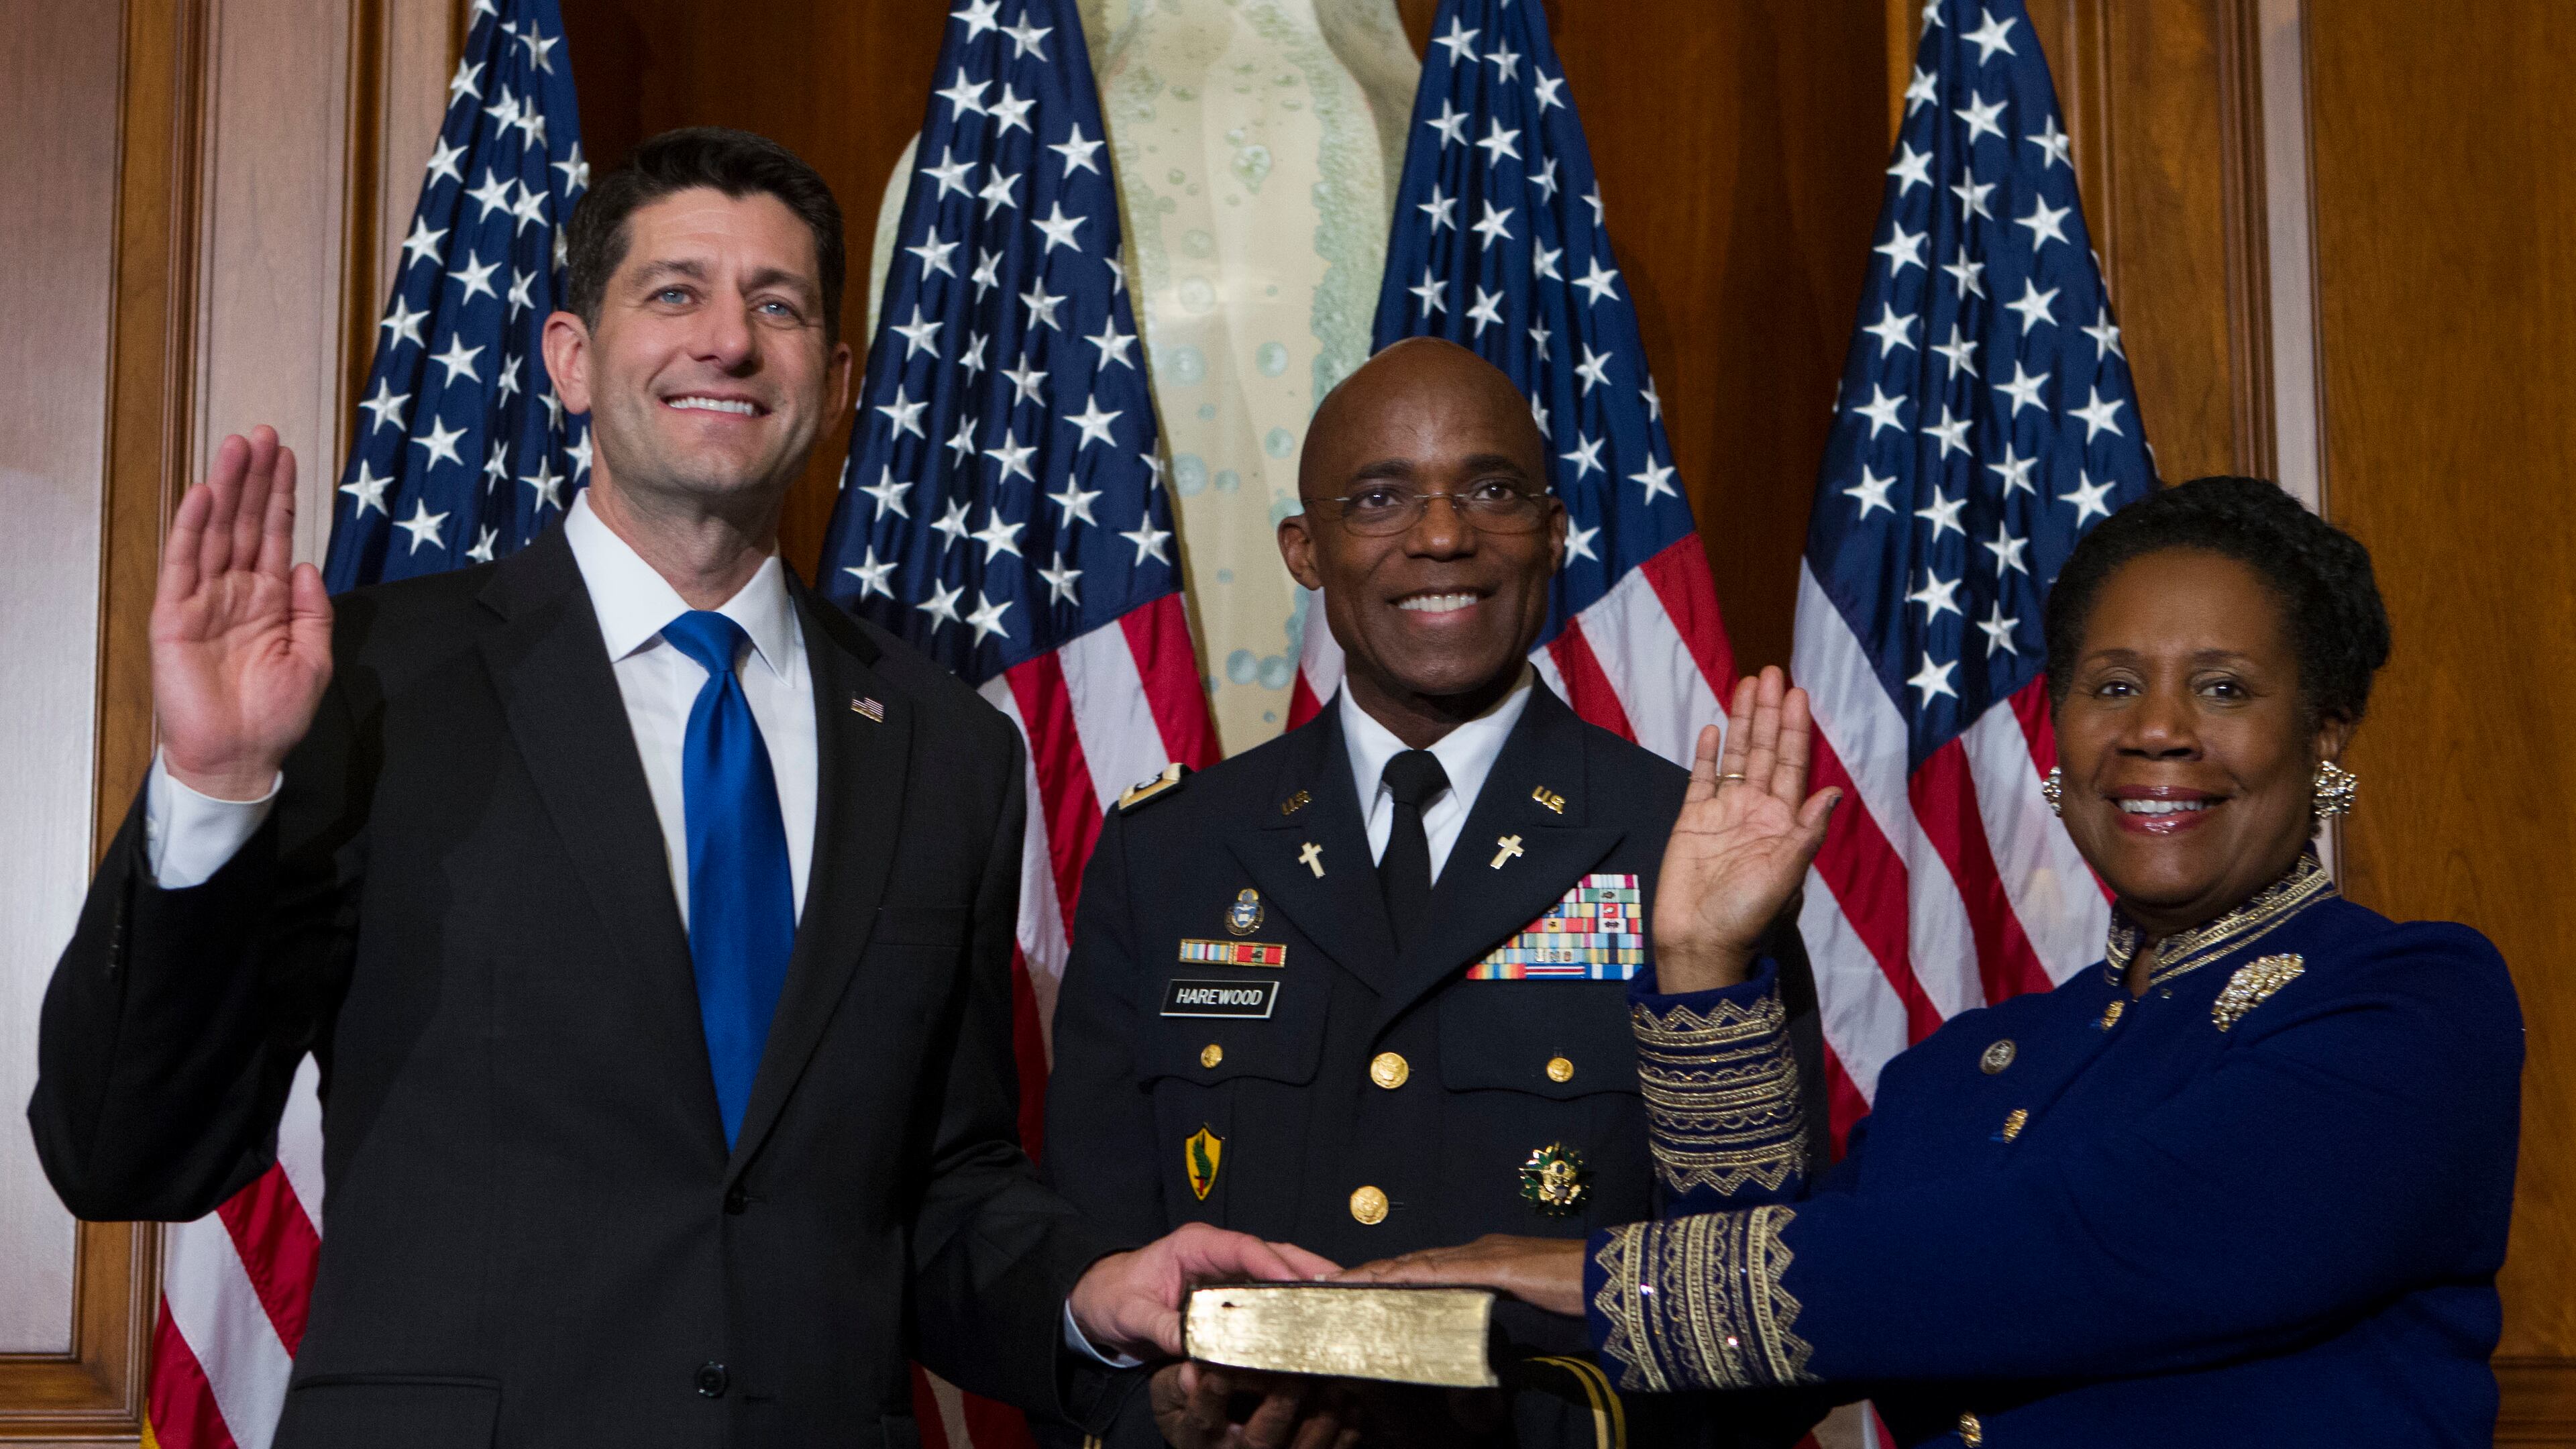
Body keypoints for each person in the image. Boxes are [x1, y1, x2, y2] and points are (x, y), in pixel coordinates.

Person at [27, 127, 1325, 1449]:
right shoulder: (369, 684)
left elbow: (936, 1191)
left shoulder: (946, 749)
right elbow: (132, 1148)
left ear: (835, 376)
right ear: (571, 360)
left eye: (778, 305)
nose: (728, 342)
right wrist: (216, 785)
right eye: (674, 293)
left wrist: (1087, 1289)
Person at [1350, 477, 2525, 1444]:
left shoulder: (2413, 1005)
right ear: (2059, 734)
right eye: (2113, 686)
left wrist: (1600, 1275)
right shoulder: (1964, 1076)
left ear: (2324, 736)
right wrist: (1706, 959)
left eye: (2223, 688)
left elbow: (2083, 1255)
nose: (2158, 729)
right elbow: (1756, 1355)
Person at [1040, 337, 1823, 1448]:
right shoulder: (1173, 855)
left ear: (1555, 532)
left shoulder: (1680, 846)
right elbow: (1089, 1262)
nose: (1444, 534)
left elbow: (1766, 1292)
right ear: (1305, 551)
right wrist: (1155, 1413)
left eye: (1493, 490)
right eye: (1380, 498)